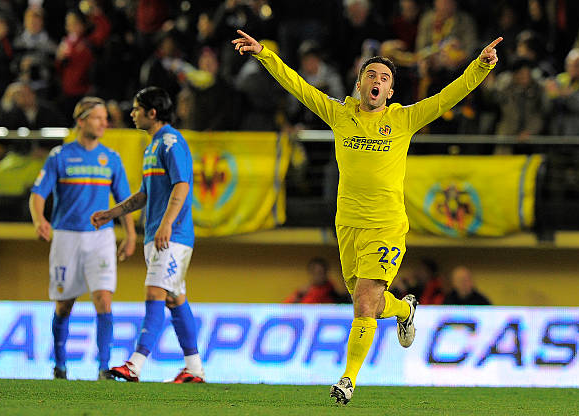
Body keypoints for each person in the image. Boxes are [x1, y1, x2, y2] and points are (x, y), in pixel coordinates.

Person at [232, 29, 501, 404]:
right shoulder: (340, 114)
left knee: (363, 302)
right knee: (371, 304)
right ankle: (404, 308)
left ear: (391, 92)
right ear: (359, 83)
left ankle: (347, 380)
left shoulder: (404, 119)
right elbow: (298, 86)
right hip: (348, 225)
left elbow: (447, 97)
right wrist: (263, 53)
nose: (377, 81)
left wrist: (480, 66)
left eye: (385, 78)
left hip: (387, 224)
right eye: (371, 75)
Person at [91, 87, 205, 384]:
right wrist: (110, 214)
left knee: (155, 293)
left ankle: (135, 364)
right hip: (157, 234)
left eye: (136, 108)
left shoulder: (171, 142)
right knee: (175, 298)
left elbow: (182, 185)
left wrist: (167, 223)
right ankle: (194, 369)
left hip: (173, 235)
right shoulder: (152, 146)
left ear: (152, 113)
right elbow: (144, 195)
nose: (132, 113)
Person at [29, 97, 137, 380]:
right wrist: (40, 220)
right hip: (66, 237)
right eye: (98, 118)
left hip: (101, 237)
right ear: (81, 121)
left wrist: (131, 233)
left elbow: (124, 200)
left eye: (105, 118)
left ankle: (104, 367)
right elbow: (38, 193)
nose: (104, 123)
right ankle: (60, 365)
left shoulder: (111, 158)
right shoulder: (60, 156)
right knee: (64, 304)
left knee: (103, 298)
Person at [284, 257, 351, 304]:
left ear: (326, 273)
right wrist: (298, 296)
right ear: (310, 273)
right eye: (314, 273)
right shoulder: (303, 292)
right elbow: (285, 307)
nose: (317, 276)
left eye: (320, 272)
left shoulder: (331, 291)